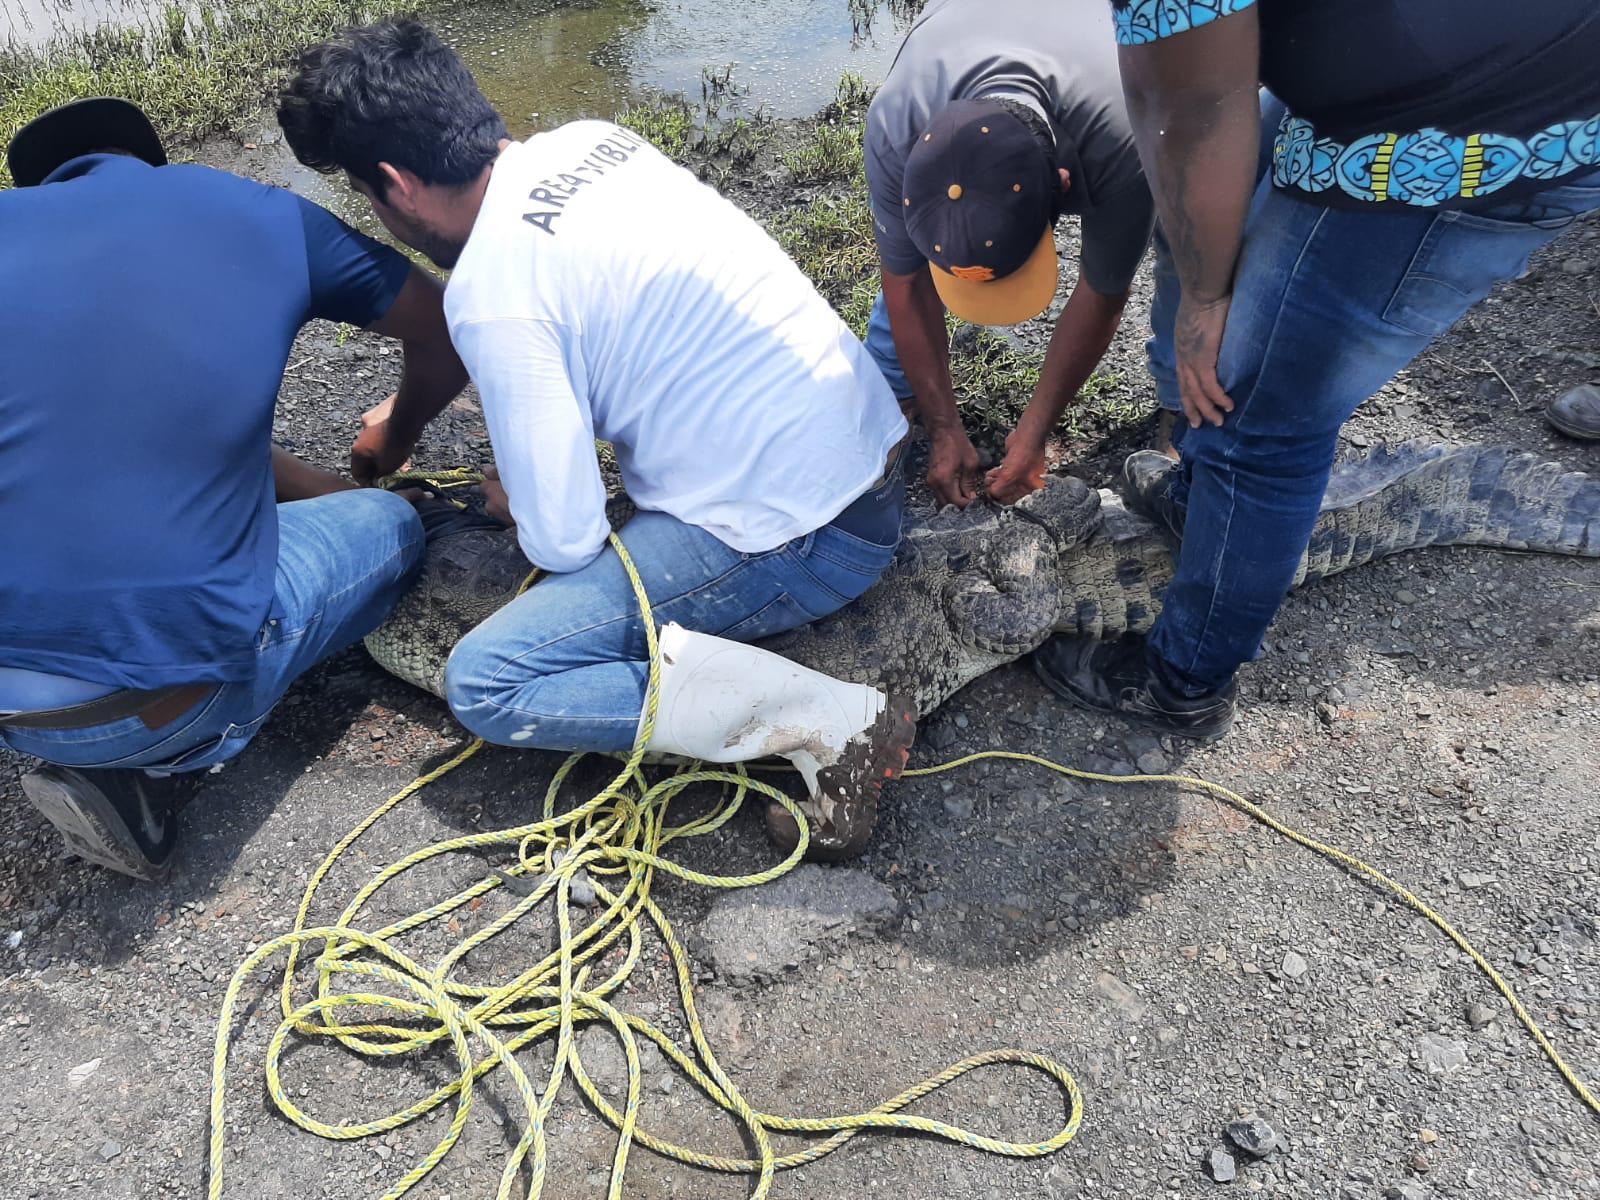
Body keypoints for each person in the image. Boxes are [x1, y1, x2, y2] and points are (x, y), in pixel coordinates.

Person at [278, 21, 916, 862]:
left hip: (811, 532)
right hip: (867, 453)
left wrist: (512, 498)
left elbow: (566, 538)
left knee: (488, 681)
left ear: (395, 184)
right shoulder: (596, 143)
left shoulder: (492, 293)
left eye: (365, 193)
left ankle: (834, 721)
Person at [1032, 0, 1600, 740]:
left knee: (1257, 424)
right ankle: (1201, 503)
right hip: (1468, 80)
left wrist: (1204, 299)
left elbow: (1194, 103)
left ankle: (1182, 681)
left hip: (1465, 136)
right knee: (1239, 328)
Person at [0, 97, 469, 880]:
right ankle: (156, 771)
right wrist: (395, 439)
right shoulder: (256, 214)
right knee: (393, 527)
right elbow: (445, 329)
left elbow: (137, 431)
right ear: (152, 164)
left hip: (10, 716)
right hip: (166, 703)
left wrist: (318, 489)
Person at [862, 0, 1156, 507]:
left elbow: (1104, 290)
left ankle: (1181, 402)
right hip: (963, 25)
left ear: (1065, 185)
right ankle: (897, 388)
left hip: (1099, 54)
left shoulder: (1125, 134)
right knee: (905, 269)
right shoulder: (896, 129)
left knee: (1187, 245)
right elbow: (906, 282)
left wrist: (1036, 430)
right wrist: (942, 427)